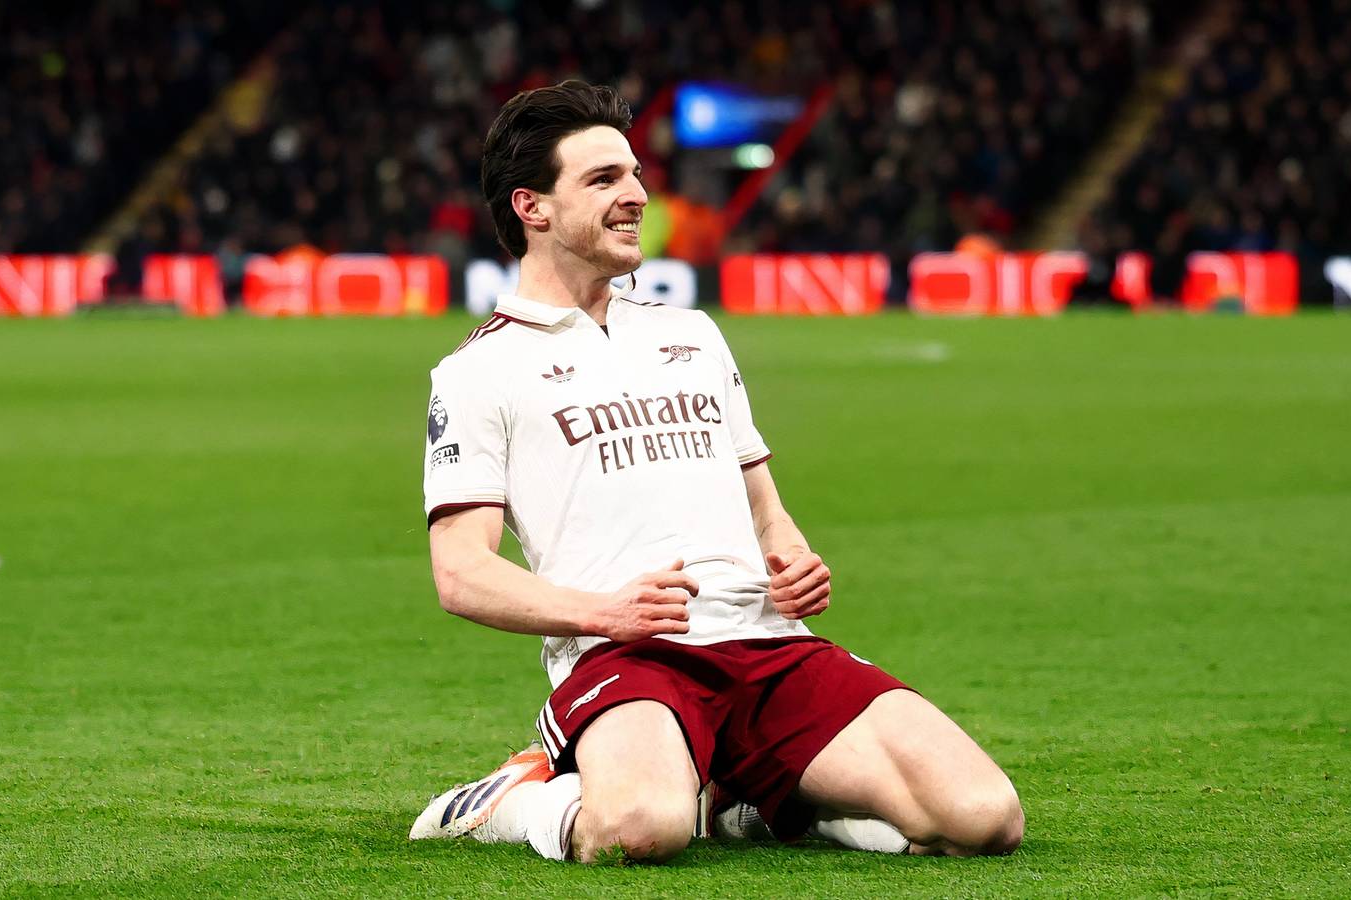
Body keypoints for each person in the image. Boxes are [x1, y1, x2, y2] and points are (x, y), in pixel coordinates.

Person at [408, 80, 1022, 863]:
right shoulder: (478, 371)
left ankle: (744, 803)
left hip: (766, 641)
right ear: (533, 207)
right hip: (629, 656)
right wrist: (604, 615)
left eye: (634, 175)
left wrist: (792, 557)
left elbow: (765, 507)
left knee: (984, 817)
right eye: (604, 179)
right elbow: (461, 573)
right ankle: (512, 797)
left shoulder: (694, 335)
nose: (636, 196)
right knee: (641, 828)